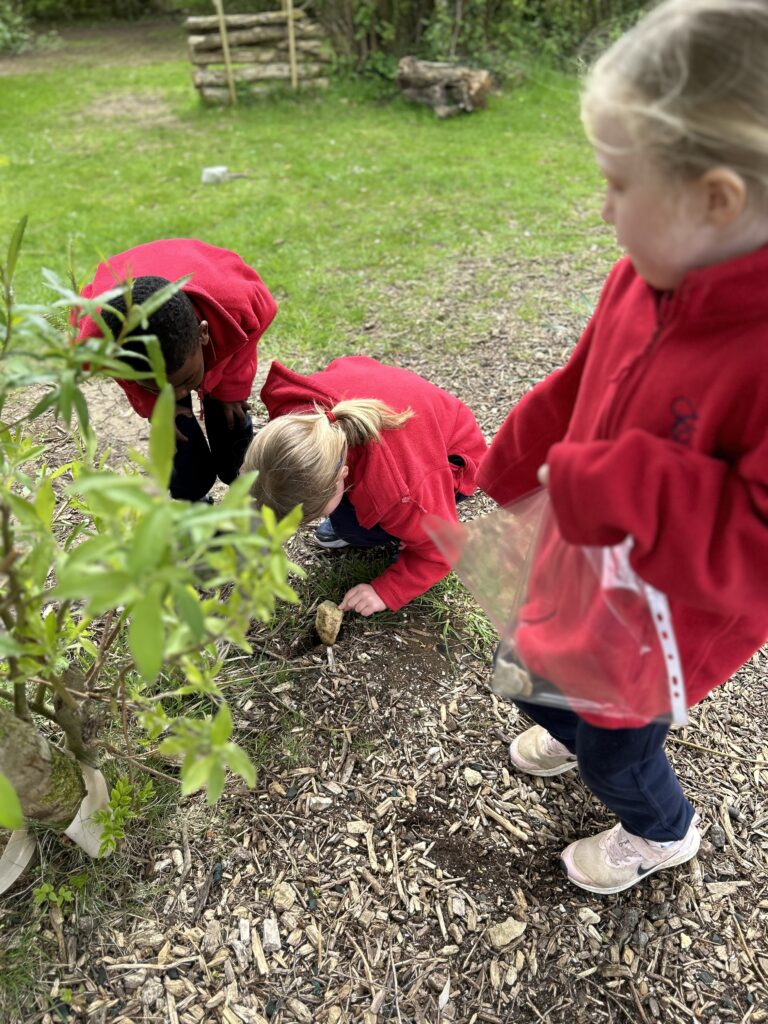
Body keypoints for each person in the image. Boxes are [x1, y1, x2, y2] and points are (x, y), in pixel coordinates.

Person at [478, 0, 768, 894]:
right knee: (534, 676)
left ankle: (660, 829)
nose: (603, 212)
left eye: (618, 184)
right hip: (585, 565)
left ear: (715, 198)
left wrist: (625, 483)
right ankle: (576, 736)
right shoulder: (644, 274)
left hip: (663, 628)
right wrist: (516, 453)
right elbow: (581, 379)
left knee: (618, 747)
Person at [243, 356, 488, 615]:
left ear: (343, 474)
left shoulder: (400, 489)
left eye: (320, 512)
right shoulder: (293, 426)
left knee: (356, 531)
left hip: (453, 456)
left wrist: (386, 590)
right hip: (397, 403)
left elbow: (444, 547)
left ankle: (407, 530)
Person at [76, 239, 277, 501]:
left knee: (230, 413)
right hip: (138, 308)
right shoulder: (97, 340)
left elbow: (256, 324)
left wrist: (232, 387)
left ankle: (243, 480)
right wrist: (154, 404)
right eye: (156, 385)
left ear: (203, 333)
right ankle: (191, 495)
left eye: (187, 381)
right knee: (176, 431)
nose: (179, 392)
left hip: (203, 278)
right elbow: (119, 371)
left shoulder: (235, 301)